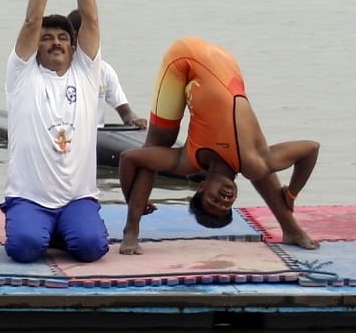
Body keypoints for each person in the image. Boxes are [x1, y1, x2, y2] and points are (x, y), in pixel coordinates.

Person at [117, 37, 320, 255]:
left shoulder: (186, 161)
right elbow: (311, 148)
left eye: (214, 200)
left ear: (202, 186)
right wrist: (291, 194)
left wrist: (133, 200)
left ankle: (131, 229)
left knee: (157, 143)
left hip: (183, 57)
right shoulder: (255, 162)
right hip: (224, 60)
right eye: (226, 205)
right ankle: (291, 229)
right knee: (256, 165)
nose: (224, 199)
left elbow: (130, 158)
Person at [1, 0, 109, 264]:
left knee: (92, 249)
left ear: (74, 47)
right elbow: (32, 22)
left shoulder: (85, 72)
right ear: (36, 47)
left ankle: (66, 227)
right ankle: (40, 227)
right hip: (29, 198)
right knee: (24, 249)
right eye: (48, 39)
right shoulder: (22, 73)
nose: (55, 42)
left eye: (63, 38)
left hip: (78, 197)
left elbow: (90, 21)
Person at [68, 9, 148, 129]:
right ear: (73, 35)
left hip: (96, 138)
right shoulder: (59, 71)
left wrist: (134, 119)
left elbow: (125, 112)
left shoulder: (104, 71)